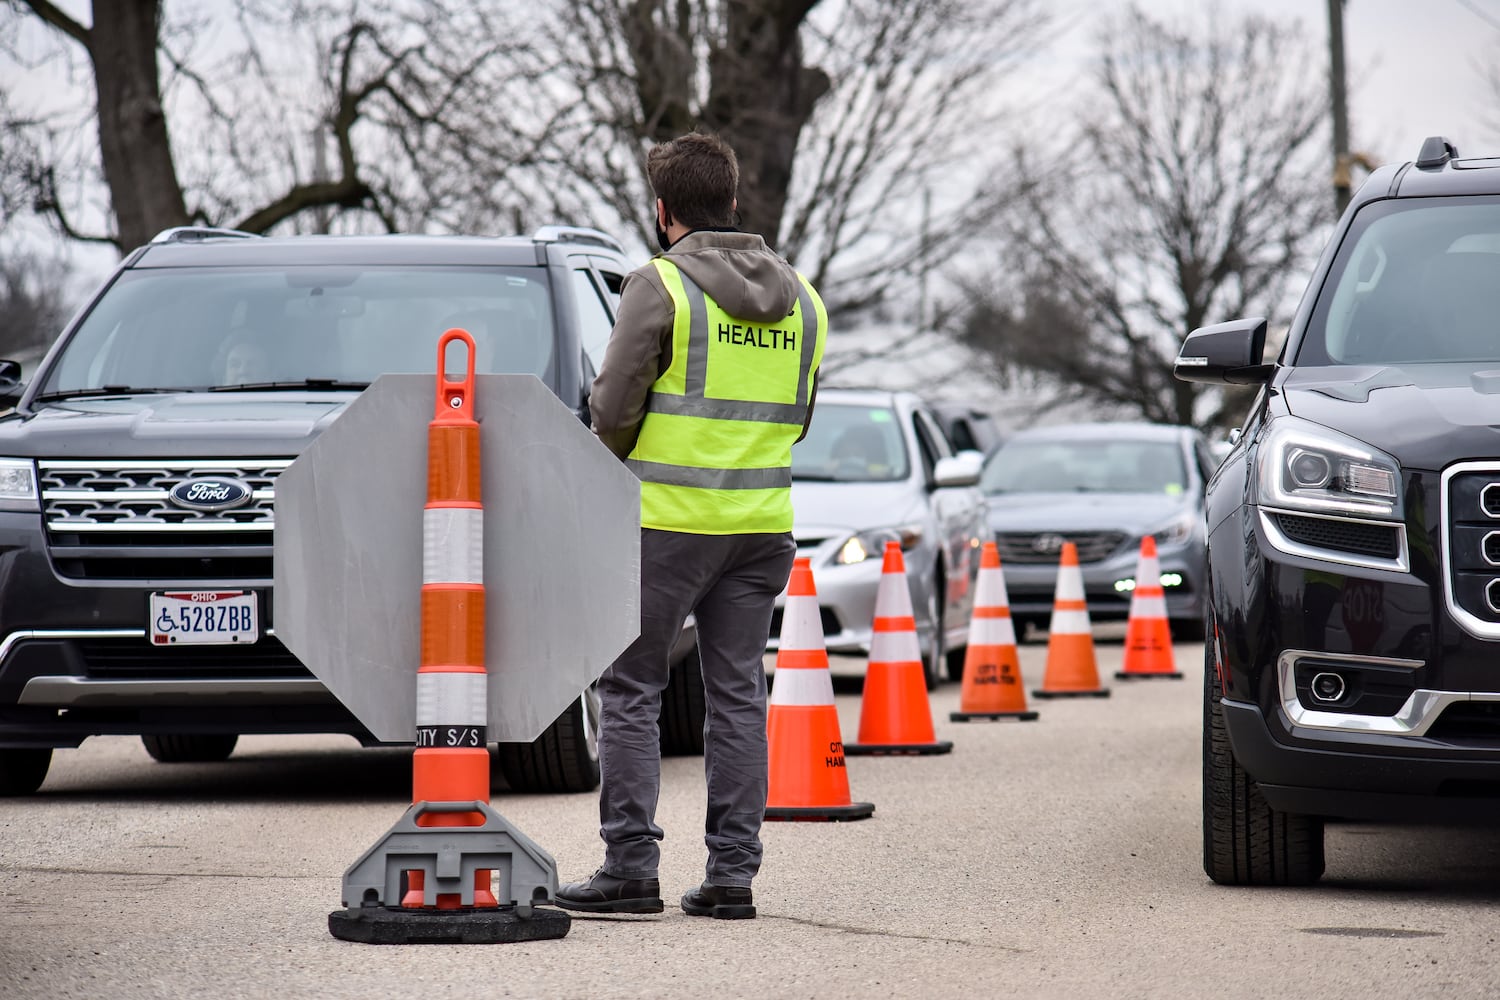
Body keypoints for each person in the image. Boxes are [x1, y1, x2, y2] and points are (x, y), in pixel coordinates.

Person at [554, 132, 826, 921]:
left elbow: (609, 411)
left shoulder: (659, 285)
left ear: (664, 211)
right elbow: (797, 419)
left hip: (665, 524)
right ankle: (732, 878)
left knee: (632, 689)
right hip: (762, 525)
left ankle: (631, 870)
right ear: (734, 202)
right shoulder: (806, 300)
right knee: (737, 694)